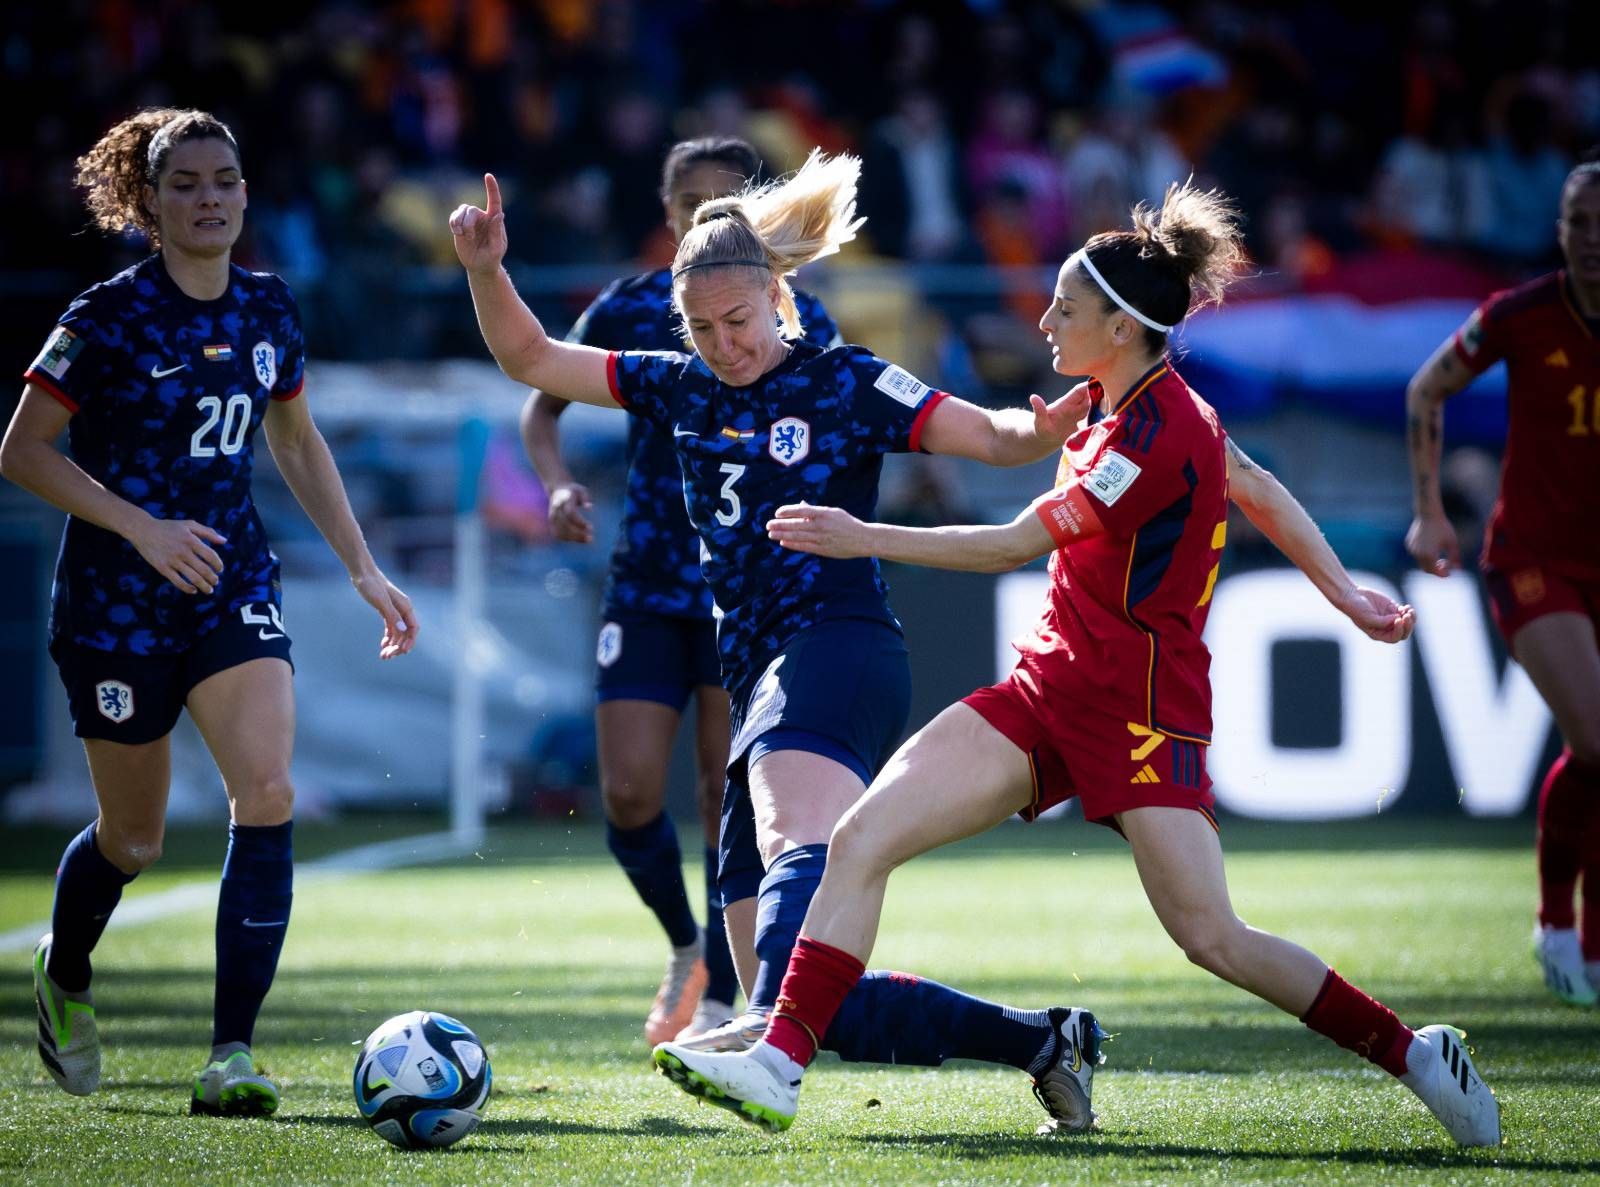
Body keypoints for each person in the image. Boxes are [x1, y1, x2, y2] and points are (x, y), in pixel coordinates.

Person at [653, 182, 1502, 1149]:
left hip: (1138, 709)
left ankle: (1413, 1052)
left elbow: (1013, 544)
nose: (1045, 318)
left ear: (1124, 326)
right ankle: (780, 1063)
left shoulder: (1155, 432)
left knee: (1210, 936)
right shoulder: (1112, 397)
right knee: (859, 836)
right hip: (1045, 689)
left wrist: (859, 534)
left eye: (1065, 306)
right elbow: (1257, 485)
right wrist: (1345, 591)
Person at [453, 150, 1109, 1129]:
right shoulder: (681, 387)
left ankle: (772, 1044)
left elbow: (990, 438)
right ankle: (1043, 1039)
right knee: (805, 984)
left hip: (838, 646)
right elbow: (533, 360)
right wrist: (484, 270)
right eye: (704, 328)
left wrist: (1040, 425)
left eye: (741, 321)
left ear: (777, 297)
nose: (725, 344)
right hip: (758, 669)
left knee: (794, 883)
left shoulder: (843, 380)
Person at [1, 109, 416, 1116]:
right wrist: (141, 528)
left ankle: (231, 1052)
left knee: (266, 789)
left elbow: (298, 442)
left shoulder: (270, 308)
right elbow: (21, 451)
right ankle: (65, 975)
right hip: (115, 603)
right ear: (150, 202)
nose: (209, 198)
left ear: (245, 191)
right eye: (184, 182)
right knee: (132, 839)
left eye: (224, 179)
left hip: (232, 585)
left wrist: (361, 565)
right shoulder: (104, 317)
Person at [522, 137, 843, 1044]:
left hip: (742, 593)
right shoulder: (630, 306)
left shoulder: (799, 317)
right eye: (689, 200)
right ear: (667, 217)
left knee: (719, 783)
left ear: (757, 214)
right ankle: (685, 941)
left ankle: (718, 983)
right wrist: (555, 481)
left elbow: (847, 427)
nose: (706, 212)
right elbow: (541, 401)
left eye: (726, 198)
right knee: (625, 789)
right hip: (648, 578)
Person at [1405, 155, 1600, 1008]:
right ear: (1558, 231)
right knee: (1597, 742)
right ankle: (1563, 923)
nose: (1592, 242)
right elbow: (1428, 386)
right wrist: (1430, 512)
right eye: (1579, 223)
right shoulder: (1521, 315)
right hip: (1530, 559)